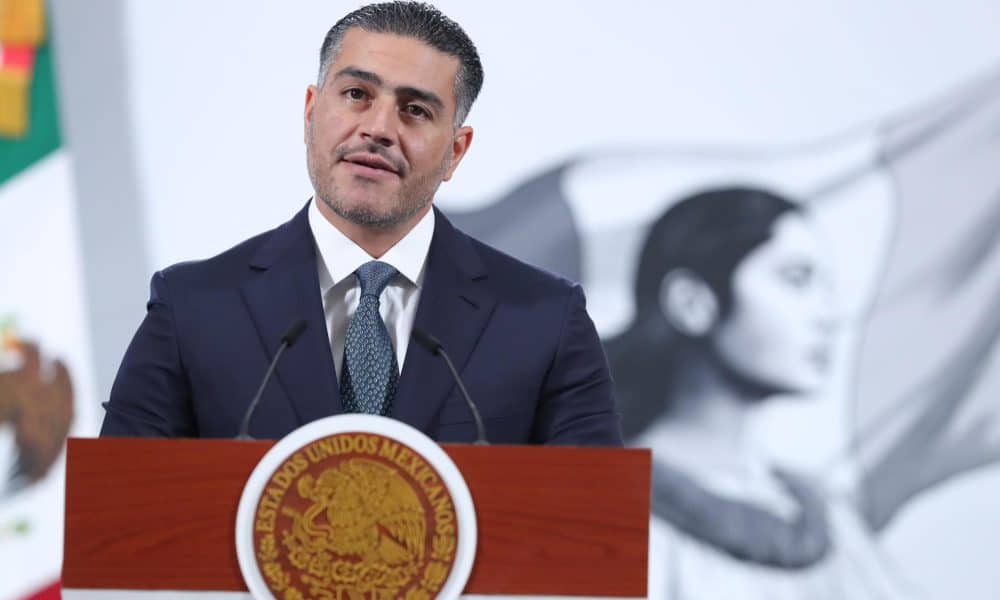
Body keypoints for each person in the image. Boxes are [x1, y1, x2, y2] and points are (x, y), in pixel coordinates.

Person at [100, 2, 621, 446]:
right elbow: (118, 521)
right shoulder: (193, 306)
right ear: (310, 112)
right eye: (356, 95)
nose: (378, 129)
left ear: (455, 152)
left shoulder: (546, 321)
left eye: (415, 110)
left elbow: (593, 538)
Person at [606, 188, 917, 599]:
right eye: (796, 279)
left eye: (825, 285)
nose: (828, 315)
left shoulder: (828, 520)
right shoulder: (598, 512)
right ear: (692, 303)